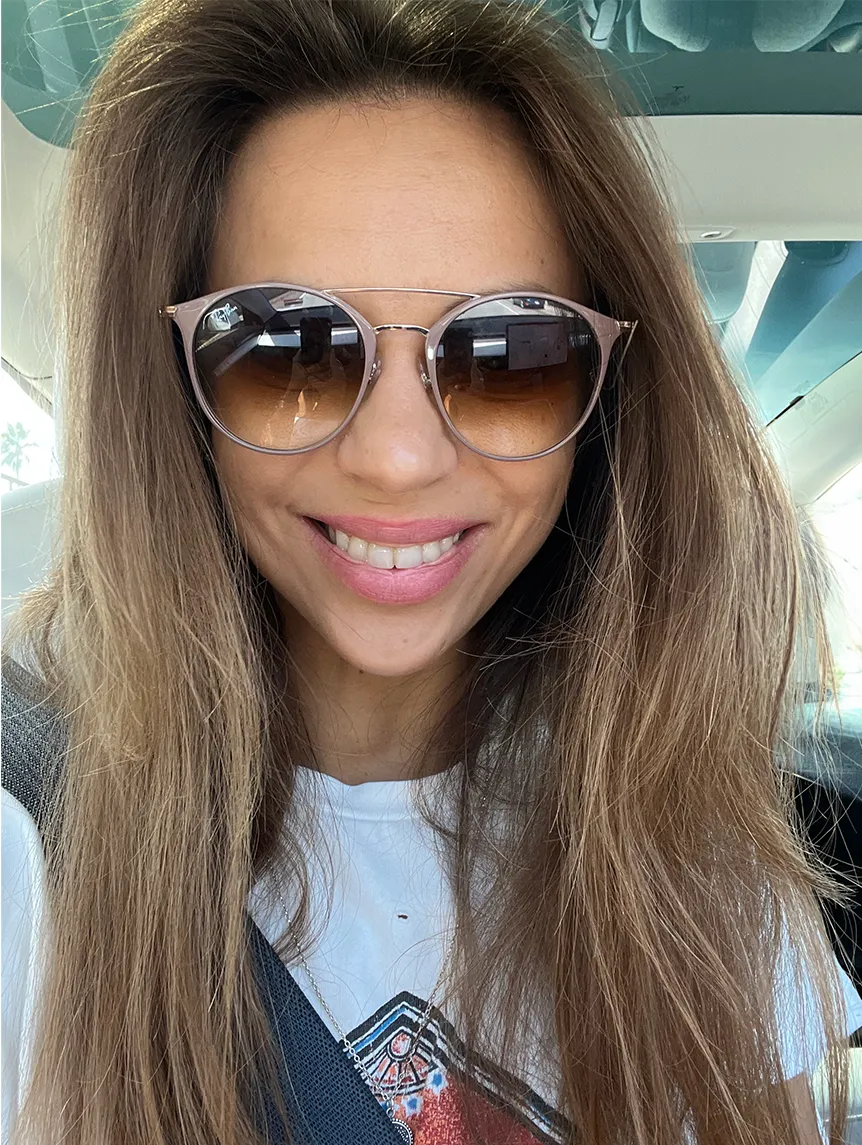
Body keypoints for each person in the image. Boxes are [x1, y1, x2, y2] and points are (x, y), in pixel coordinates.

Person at [2, 1, 861, 1142]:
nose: (398, 459)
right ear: (177, 395)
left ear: (604, 407)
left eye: (513, 354)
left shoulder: (700, 857)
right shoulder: (29, 841)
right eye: (286, 347)